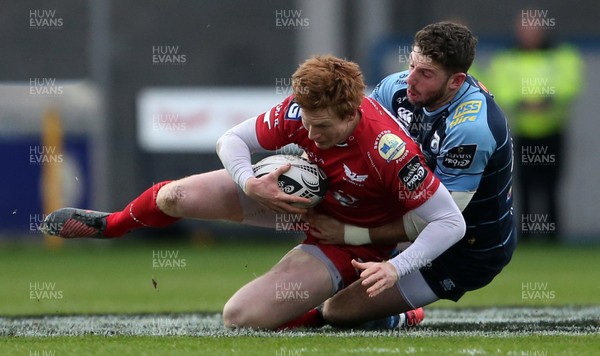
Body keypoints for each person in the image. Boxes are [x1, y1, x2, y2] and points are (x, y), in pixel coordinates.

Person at [41, 55, 465, 330]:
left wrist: (395, 268)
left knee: (239, 318)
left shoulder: (388, 149)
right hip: (289, 202)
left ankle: (388, 316)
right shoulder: (303, 109)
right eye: (308, 124)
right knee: (176, 197)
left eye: (323, 128)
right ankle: (111, 225)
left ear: (352, 111)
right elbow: (231, 140)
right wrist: (250, 182)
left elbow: (450, 222)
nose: (310, 135)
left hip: (347, 239)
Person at [283, 21, 516, 329]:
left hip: (466, 249)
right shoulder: (396, 89)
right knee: (297, 297)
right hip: (405, 219)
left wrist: (350, 234)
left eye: (426, 74)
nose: (411, 79)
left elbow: (439, 221)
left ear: (456, 81)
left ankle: (404, 316)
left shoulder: (470, 129)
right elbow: (354, 139)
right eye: (411, 65)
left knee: (337, 312)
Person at [487, 16, 583, 242]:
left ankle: (553, 236)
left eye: (533, 30)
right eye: (525, 30)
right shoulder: (507, 57)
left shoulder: (561, 54)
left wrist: (547, 100)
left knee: (552, 184)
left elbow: (570, 81)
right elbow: (500, 86)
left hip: (553, 129)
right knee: (524, 184)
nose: (529, 35)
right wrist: (523, 102)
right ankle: (527, 236)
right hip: (523, 132)